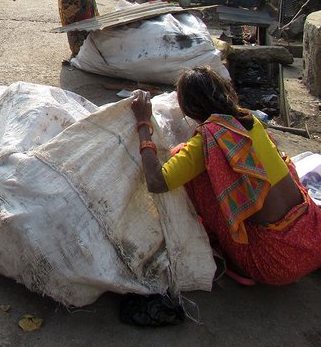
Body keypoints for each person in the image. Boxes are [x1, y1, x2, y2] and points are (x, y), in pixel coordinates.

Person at [131, 66, 321, 285]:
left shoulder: (208, 139)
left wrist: (143, 123)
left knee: (187, 165)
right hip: (313, 236)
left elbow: (156, 182)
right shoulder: (250, 121)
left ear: (187, 108)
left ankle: (229, 252)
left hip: (274, 260)